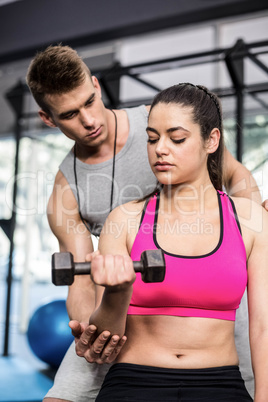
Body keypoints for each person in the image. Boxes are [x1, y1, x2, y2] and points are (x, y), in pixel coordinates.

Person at [26, 45, 264, 402]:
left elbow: (233, 173)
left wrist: (254, 217)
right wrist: (93, 335)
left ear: (96, 85)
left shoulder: (159, 119)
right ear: (48, 119)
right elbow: (80, 280)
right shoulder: (67, 191)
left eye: (90, 102)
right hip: (128, 306)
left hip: (213, 283)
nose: (89, 120)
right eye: (71, 114)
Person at [78, 83, 268, 401]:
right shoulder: (124, 219)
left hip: (221, 385)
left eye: (176, 138)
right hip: (133, 382)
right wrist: (117, 290)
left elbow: (263, 326)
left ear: (212, 140)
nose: (160, 149)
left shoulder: (250, 219)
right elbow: (106, 339)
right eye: (152, 139)